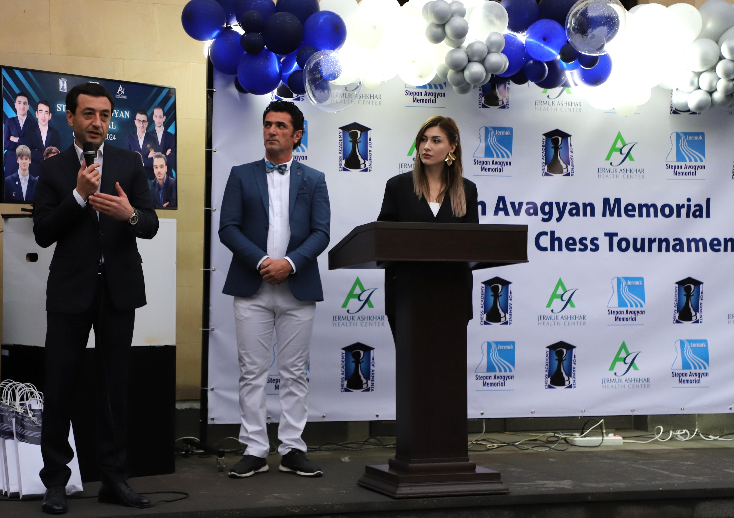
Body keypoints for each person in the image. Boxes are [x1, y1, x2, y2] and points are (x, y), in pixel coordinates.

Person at [33, 83, 158, 515]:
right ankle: (55, 482)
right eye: (88, 114)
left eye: (104, 115)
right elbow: (43, 233)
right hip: (70, 292)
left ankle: (114, 479)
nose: (97, 122)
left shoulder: (129, 162)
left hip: (118, 291)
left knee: (114, 387)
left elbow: (150, 224)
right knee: (60, 385)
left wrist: (131, 215)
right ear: (70, 117)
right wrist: (77, 197)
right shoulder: (54, 168)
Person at [219, 100, 330, 479]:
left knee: (294, 372)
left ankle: (293, 448)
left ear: (296, 135)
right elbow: (228, 227)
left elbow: (321, 232)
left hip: (298, 288)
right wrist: (263, 262)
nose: (271, 131)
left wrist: (290, 263)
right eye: (268, 124)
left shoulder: (314, 179)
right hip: (252, 288)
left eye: (281, 126)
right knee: (252, 372)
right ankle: (254, 448)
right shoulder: (240, 175)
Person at [377, 116, 479, 338]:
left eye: (436, 140)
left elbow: (473, 243)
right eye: (423, 140)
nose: (426, 146)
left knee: (448, 359)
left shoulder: (467, 190)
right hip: (407, 294)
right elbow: (384, 240)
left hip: (453, 293)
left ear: (452, 147)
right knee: (411, 360)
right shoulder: (398, 186)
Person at [4, 92, 38, 178]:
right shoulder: (9, 121)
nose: (22, 106)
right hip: (12, 164)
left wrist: (17, 139)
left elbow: (34, 144)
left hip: (28, 166)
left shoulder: (33, 124)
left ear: (28, 106)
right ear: (15, 105)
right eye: (19, 103)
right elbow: (5, 143)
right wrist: (25, 145)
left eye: (25, 103)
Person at [29, 100, 62, 176]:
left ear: (50, 116)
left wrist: (37, 152)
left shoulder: (55, 133)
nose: (43, 116)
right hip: (33, 174)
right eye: (41, 112)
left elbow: (57, 154)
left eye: (46, 112)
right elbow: (29, 153)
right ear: (36, 114)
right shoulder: (29, 131)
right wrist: (48, 154)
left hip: (51, 173)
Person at [124, 110, 157, 181]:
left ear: (147, 123)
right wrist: (147, 159)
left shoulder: (152, 139)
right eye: (139, 121)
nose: (141, 124)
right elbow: (127, 160)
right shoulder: (129, 138)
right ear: (135, 122)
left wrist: (136, 160)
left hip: (148, 178)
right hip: (133, 177)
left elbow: (154, 161)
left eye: (144, 121)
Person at [150, 106, 175, 175]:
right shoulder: (147, 136)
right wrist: (165, 156)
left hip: (167, 175)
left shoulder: (171, 137)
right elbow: (145, 159)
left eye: (160, 117)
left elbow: (173, 160)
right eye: (156, 116)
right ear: (153, 117)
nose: (158, 119)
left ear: (164, 118)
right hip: (152, 176)